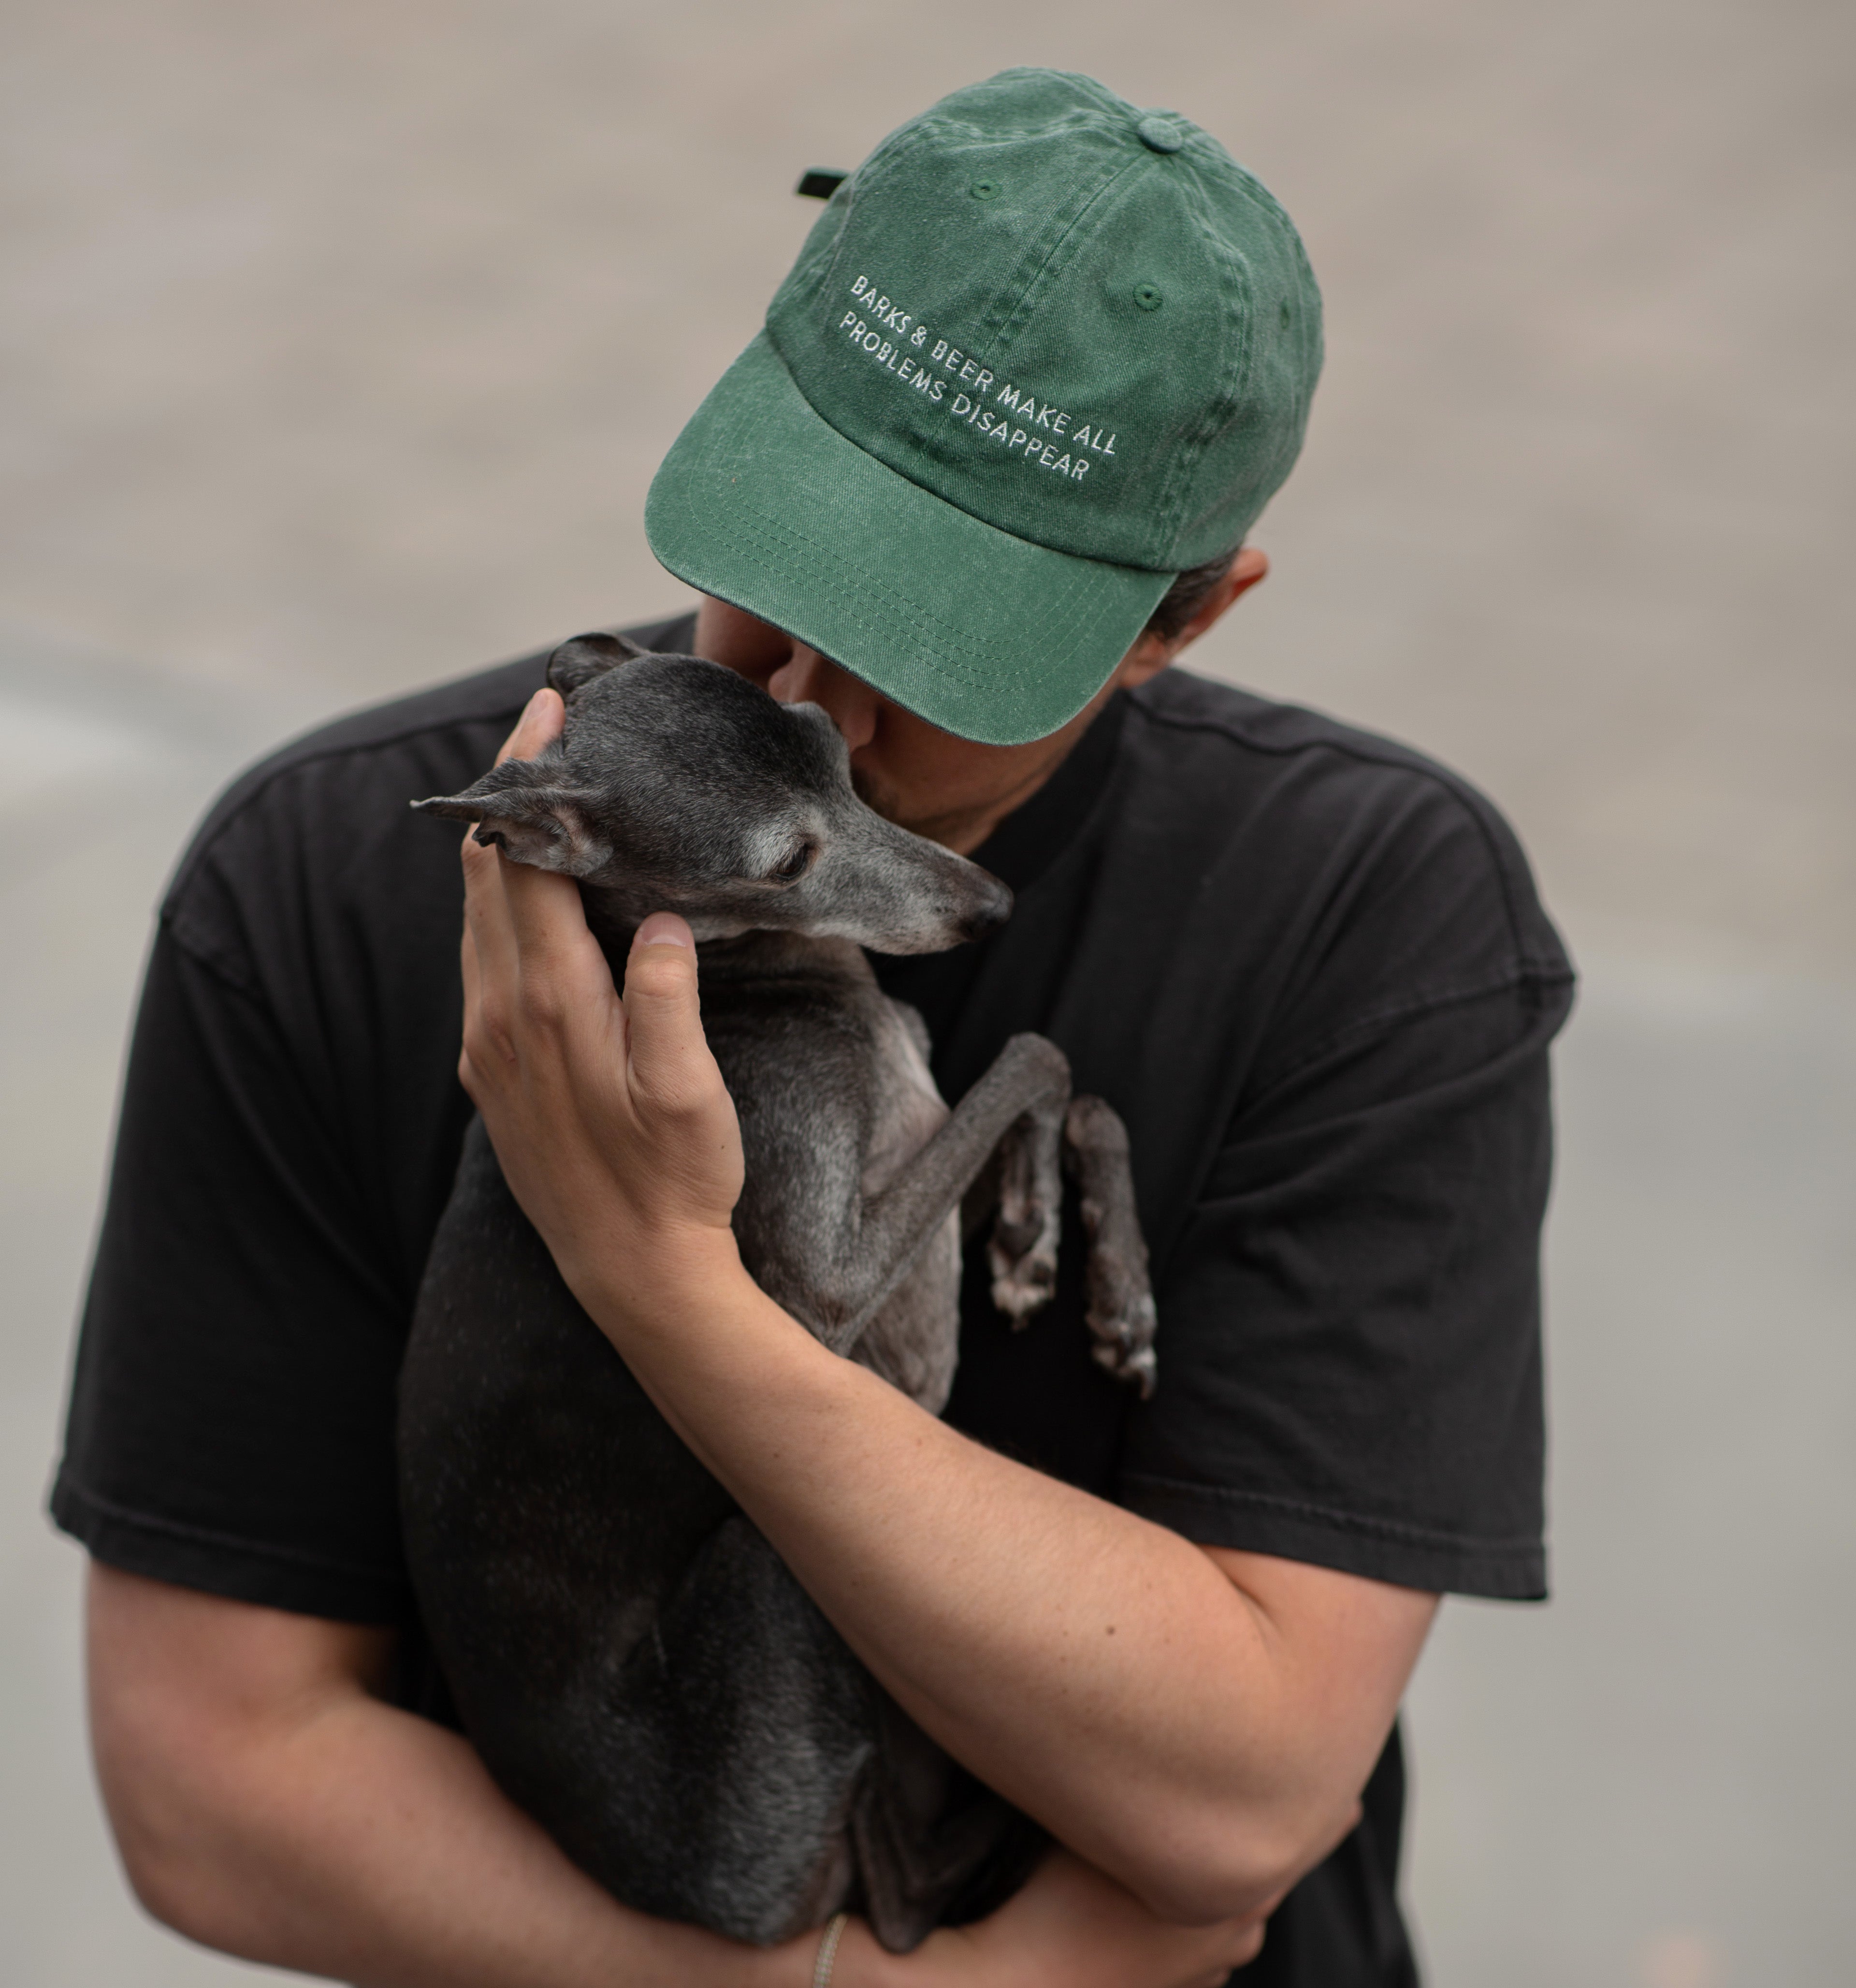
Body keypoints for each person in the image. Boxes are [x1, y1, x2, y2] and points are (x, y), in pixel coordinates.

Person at [53, 68, 1571, 1988]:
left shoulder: (1375, 916)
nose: (822, 706)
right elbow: (210, 1780)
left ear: (1185, 618)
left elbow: (1239, 1803)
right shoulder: (313, 877)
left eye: (946, 642)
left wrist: (655, 1274)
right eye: (794, 564)